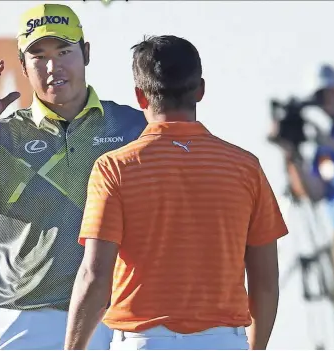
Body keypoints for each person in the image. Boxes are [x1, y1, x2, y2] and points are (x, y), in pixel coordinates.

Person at [0, 3, 146, 350]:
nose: (52, 66)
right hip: (25, 313)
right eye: (38, 56)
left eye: (63, 51)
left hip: (111, 312)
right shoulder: (2, 135)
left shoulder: (133, 125)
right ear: (23, 67)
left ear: (86, 53)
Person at [64, 35, 289, 350]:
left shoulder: (114, 168)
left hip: (143, 342)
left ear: (140, 97)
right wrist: (256, 347)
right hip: (224, 342)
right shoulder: (245, 167)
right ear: (200, 90)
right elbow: (265, 283)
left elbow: (94, 276)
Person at [271, 64, 334, 350]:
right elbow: (313, 192)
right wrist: (291, 155)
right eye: (319, 97)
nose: (326, 102)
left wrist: (328, 141)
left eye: (329, 93)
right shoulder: (325, 143)